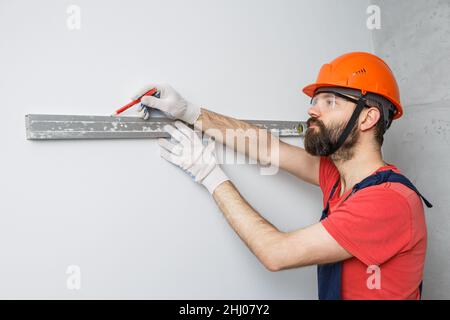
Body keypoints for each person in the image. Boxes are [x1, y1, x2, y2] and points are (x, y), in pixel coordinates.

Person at [135, 52, 432, 300]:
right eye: (315, 101)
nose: (312, 110)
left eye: (330, 101)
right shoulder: (339, 174)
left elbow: (276, 253)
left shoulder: (387, 201)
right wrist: (190, 112)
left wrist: (210, 175)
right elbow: (268, 149)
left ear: (368, 117)